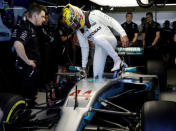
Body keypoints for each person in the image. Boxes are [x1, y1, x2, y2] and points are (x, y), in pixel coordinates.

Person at [62, 4, 128, 79]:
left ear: (78, 15)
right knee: (96, 75)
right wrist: (83, 68)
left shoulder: (95, 14)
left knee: (96, 38)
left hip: (110, 40)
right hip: (99, 46)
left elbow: (111, 21)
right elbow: (84, 48)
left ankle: (118, 60)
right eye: (72, 25)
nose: (74, 26)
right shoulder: (79, 31)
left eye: (74, 22)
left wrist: (123, 34)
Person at [11, 3, 47, 101]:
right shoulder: (26, 28)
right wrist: (28, 61)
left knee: (29, 96)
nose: (44, 19)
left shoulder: (31, 27)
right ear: (35, 15)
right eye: (42, 16)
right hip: (26, 69)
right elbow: (17, 44)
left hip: (29, 70)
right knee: (26, 98)